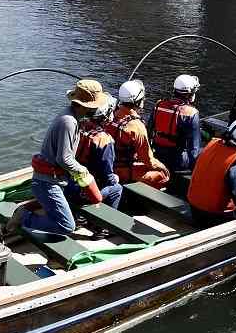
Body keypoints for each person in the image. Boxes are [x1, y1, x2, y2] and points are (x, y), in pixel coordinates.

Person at [9, 79, 107, 236]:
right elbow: (64, 159)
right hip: (47, 182)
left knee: (69, 203)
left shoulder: (72, 118)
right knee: (66, 226)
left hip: (56, 179)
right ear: (84, 105)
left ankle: (28, 210)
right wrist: (83, 171)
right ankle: (24, 218)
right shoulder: (69, 122)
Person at [108, 80, 171, 189]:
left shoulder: (109, 115)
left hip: (108, 166)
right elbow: (147, 160)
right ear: (138, 101)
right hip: (125, 172)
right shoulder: (137, 126)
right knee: (163, 175)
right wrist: (162, 167)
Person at [68, 94, 123, 209]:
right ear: (106, 115)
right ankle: (105, 223)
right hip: (83, 191)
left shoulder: (79, 127)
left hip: (71, 183)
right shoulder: (104, 140)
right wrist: (115, 178)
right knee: (116, 188)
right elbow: (107, 177)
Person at [150, 74, 203, 183]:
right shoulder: (191, 113)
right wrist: (194, 173)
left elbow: (148, 132)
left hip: (157, 155)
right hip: (179, 161)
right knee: (204, 151)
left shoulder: (158, 105)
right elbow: (194, 148)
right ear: (190, 93)